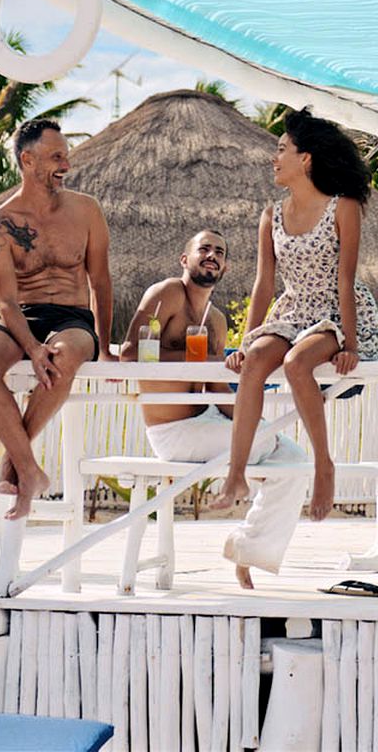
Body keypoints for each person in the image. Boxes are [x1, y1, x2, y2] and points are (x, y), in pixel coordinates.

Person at [213, 108, 378, 551]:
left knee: (296, 364)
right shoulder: (271, 214)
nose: (274, 158)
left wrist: (349, 343)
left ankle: (324, 465)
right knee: (255, 362)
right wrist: (246, 341)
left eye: (281, 149)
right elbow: (264, 285)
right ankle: (236, 475)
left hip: (335, 311)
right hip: (293, 309)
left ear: (305, 158)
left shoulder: (343, 206)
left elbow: (345, 280)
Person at [119, 230, 309, 590]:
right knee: (262, 444)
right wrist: (203, 359)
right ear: (185, 258)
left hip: (208, 420)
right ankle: (241, 491)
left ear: (225, 266)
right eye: (203, 249)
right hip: (173, 432)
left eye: (219, 252)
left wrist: (250, 418)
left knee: (295, 459)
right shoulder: (167, 294)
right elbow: (130, 353)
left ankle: (248, 550)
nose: (212, 255)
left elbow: (218, 390)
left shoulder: (216, 320)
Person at [0, 119, 115, 520]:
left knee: (63, 357)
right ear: (27, 160)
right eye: (56, 157)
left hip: (73, 317)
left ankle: (14, 463)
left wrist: (104, 345)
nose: (65, 165)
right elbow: (5, 301)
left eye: (66, 156)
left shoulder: (86, 210)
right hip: (22, 315)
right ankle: (29, 469)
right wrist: (32, 348)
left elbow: (101, 282)